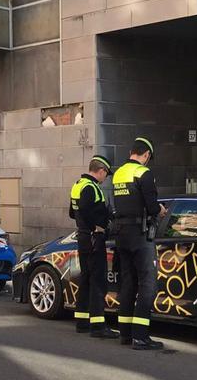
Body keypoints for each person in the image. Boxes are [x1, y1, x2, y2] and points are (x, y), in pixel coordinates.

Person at [112, 137, 168, 350]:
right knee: (148, 285)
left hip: (121, 235)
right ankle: (141, 337)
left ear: (131, 152)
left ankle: (125, 334)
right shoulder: (144, 173)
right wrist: (160, 209)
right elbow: (152, 207)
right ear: (145, 155)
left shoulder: (118, 174)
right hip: (140, 235)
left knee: (128, 283)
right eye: (148, 158)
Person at [70, 155, 120, 339]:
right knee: (98, 282)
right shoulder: (91, 188)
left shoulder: (78, 185)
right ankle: (98, 326)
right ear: (101, 171)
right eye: (106, 175)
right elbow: (84, 208)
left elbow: (72, 212)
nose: (105, 178)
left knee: (86, 280)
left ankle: (82, 322)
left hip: (83, 238)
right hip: (93, 238)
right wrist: (95, 227)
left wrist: (84, 225)